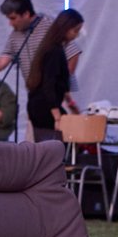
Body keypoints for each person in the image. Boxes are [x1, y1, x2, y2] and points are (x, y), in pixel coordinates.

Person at [0, 0, 83, 140]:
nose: (10, 24)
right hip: (37, 97)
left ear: (26, 14)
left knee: (56, 142)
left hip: (54, 95)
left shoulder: (48, 26)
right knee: (36, 143)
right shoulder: (15, 37)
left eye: (13, 18)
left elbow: (73, 52)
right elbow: (1, 62)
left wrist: (63, 84)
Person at [25, 9, 84, 141]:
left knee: (50, 148)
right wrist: (57, 116)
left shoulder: (51, 48)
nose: (76, 35)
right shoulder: (55, 51)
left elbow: (56, 82)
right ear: (66, 28)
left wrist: (69, 101)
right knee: (57, 147)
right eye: (75, 30)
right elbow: (48, 85)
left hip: (39, 105)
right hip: (45, 107)